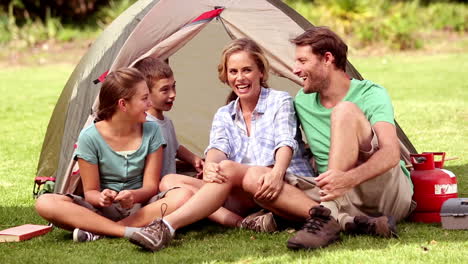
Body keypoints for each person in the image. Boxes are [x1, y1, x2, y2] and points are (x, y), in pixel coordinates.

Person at [128, 38, 319, 252]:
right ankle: (248, 222)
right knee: (170, 180)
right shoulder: (225, 113)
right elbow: (217, 148)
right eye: (233, 71)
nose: (240, 78)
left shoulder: (279, 100)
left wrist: (276, 173)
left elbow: (286, 141)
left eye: (247, 70)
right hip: (247, 194)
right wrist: (210, 166)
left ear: (261, 73)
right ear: (226, 76)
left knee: (228, 169)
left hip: (282, 183)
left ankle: (166, 226)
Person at [286, 27, 414, 250]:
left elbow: (391, 153)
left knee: (344, 111)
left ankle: (326, 214)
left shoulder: (371, 93)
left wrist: (347, 180)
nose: (295, 69)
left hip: (382, 192)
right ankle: (352, 224)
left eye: (302, 61)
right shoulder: (302, 101)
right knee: (260, 180)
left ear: (327, 58)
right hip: (339, 195)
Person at [35, 68, 193, 242]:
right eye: (144, 98)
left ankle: (100, 231)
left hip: (142, 208)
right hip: (100, 211)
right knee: (45, 202)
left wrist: (133, 196)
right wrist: (102, 197)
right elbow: (90, 192)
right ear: (123, 105)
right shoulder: (89, 137)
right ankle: (128, 231)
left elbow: (150, 187)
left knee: (183, 195)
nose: (149, 104)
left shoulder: (152, 130)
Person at [133, 57, 204, 178]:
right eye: (165, 90)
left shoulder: (167, 122)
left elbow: (175, 148)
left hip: (172, 184)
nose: (173, 94)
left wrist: (194, 159)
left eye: (174, 87)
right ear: (146, 93)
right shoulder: (145, 125)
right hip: (157, 188)